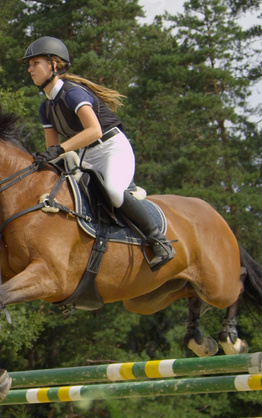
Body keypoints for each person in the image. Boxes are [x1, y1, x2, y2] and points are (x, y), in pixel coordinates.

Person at [22, 36, 174, 271]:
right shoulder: (46, 107)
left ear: (54, 64)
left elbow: (94, 130)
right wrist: (40, 160)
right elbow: (53, 148)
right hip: (86, 156)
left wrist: (59, 150)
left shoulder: (73, 93)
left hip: (113, 148)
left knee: (114, 192)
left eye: (35, 63)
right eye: (29, 65)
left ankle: (159, 240)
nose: (30, 69)